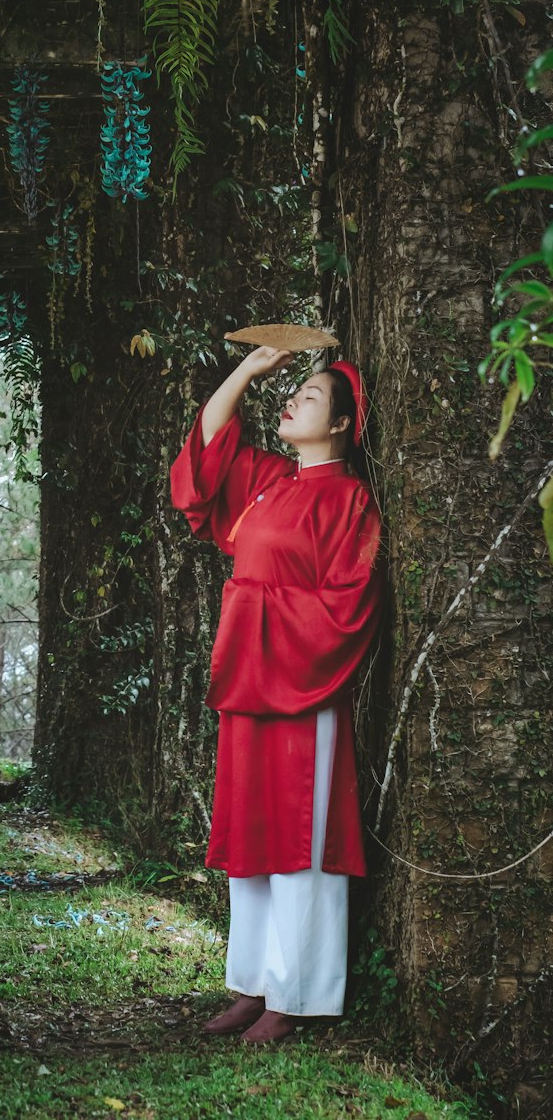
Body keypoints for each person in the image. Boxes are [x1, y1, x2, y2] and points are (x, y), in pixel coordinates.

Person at [170, 344, 383, 1044]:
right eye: (293, 393)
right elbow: (204, 460)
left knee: (300, 840)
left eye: (311, 397)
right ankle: (253, 985)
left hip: (301, 683)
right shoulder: (267, 480)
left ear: (344, 426)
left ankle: (296, 997)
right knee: (251, 837)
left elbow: (350, 605)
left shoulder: (346, 497)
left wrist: (262, 615)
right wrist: (247, 372)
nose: (292, 403)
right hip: (249, 681)